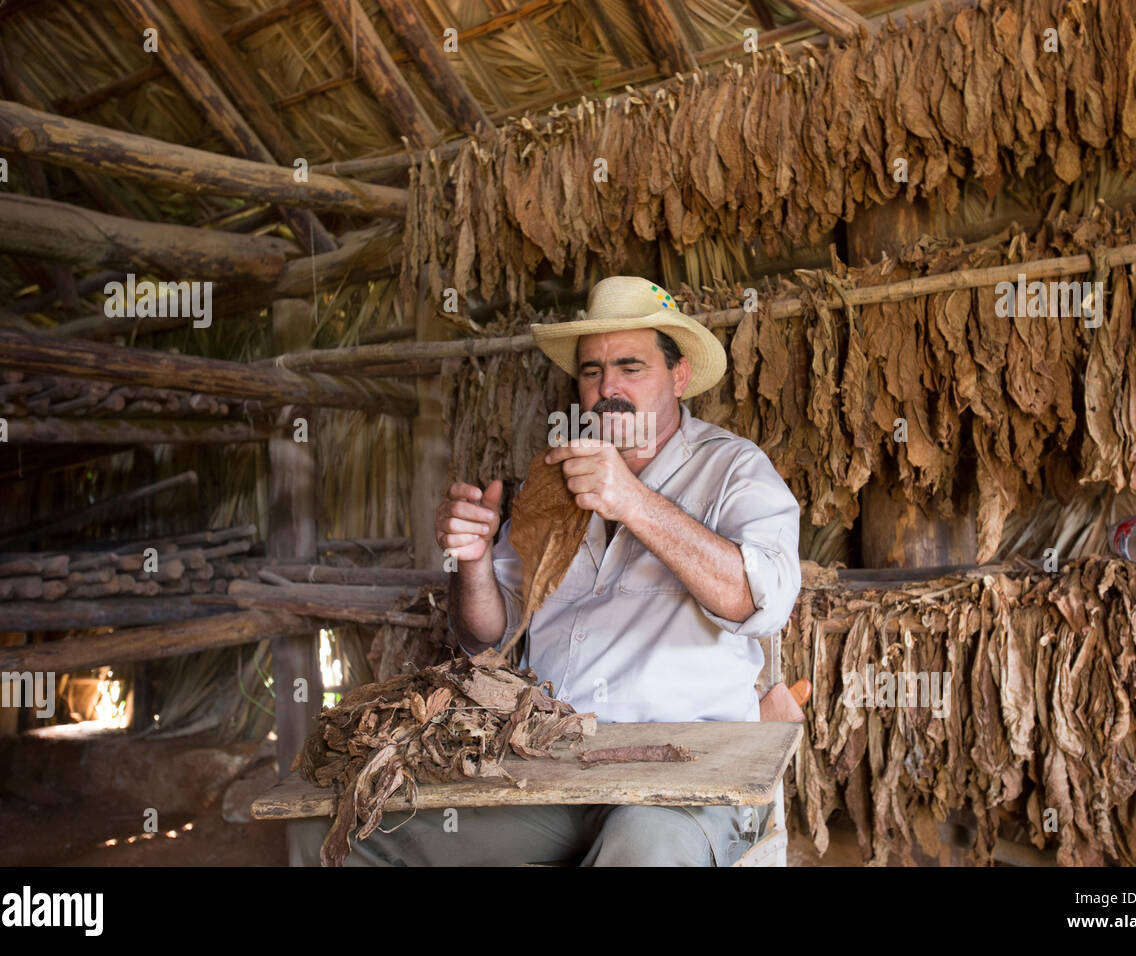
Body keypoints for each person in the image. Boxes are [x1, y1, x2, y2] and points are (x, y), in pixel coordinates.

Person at [296, 275, 802, 866]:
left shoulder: (734, 469)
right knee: (341, 832)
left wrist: (633, 501)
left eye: (631, 367)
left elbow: (760, 601)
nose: (607, 388)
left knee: (642, 850)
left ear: (679, 375)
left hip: (688, 772)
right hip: (548, 763)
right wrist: (473, 559)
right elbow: (485, 634)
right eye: (592, 371)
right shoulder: (554, 480)